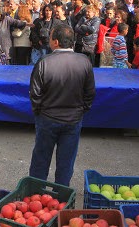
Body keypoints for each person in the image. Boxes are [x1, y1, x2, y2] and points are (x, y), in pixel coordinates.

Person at [29, 24, 95, 186]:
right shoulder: (84, 62)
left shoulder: (44, 62)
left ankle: (36, 195)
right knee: (66, 163)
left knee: (40, 161)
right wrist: (80, 111)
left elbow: (34, 93)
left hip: (47, 119)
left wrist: (40, 112)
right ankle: (61, 199)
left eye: (50, 38)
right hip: (72, 120)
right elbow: (90, 93)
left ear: (56, 42)